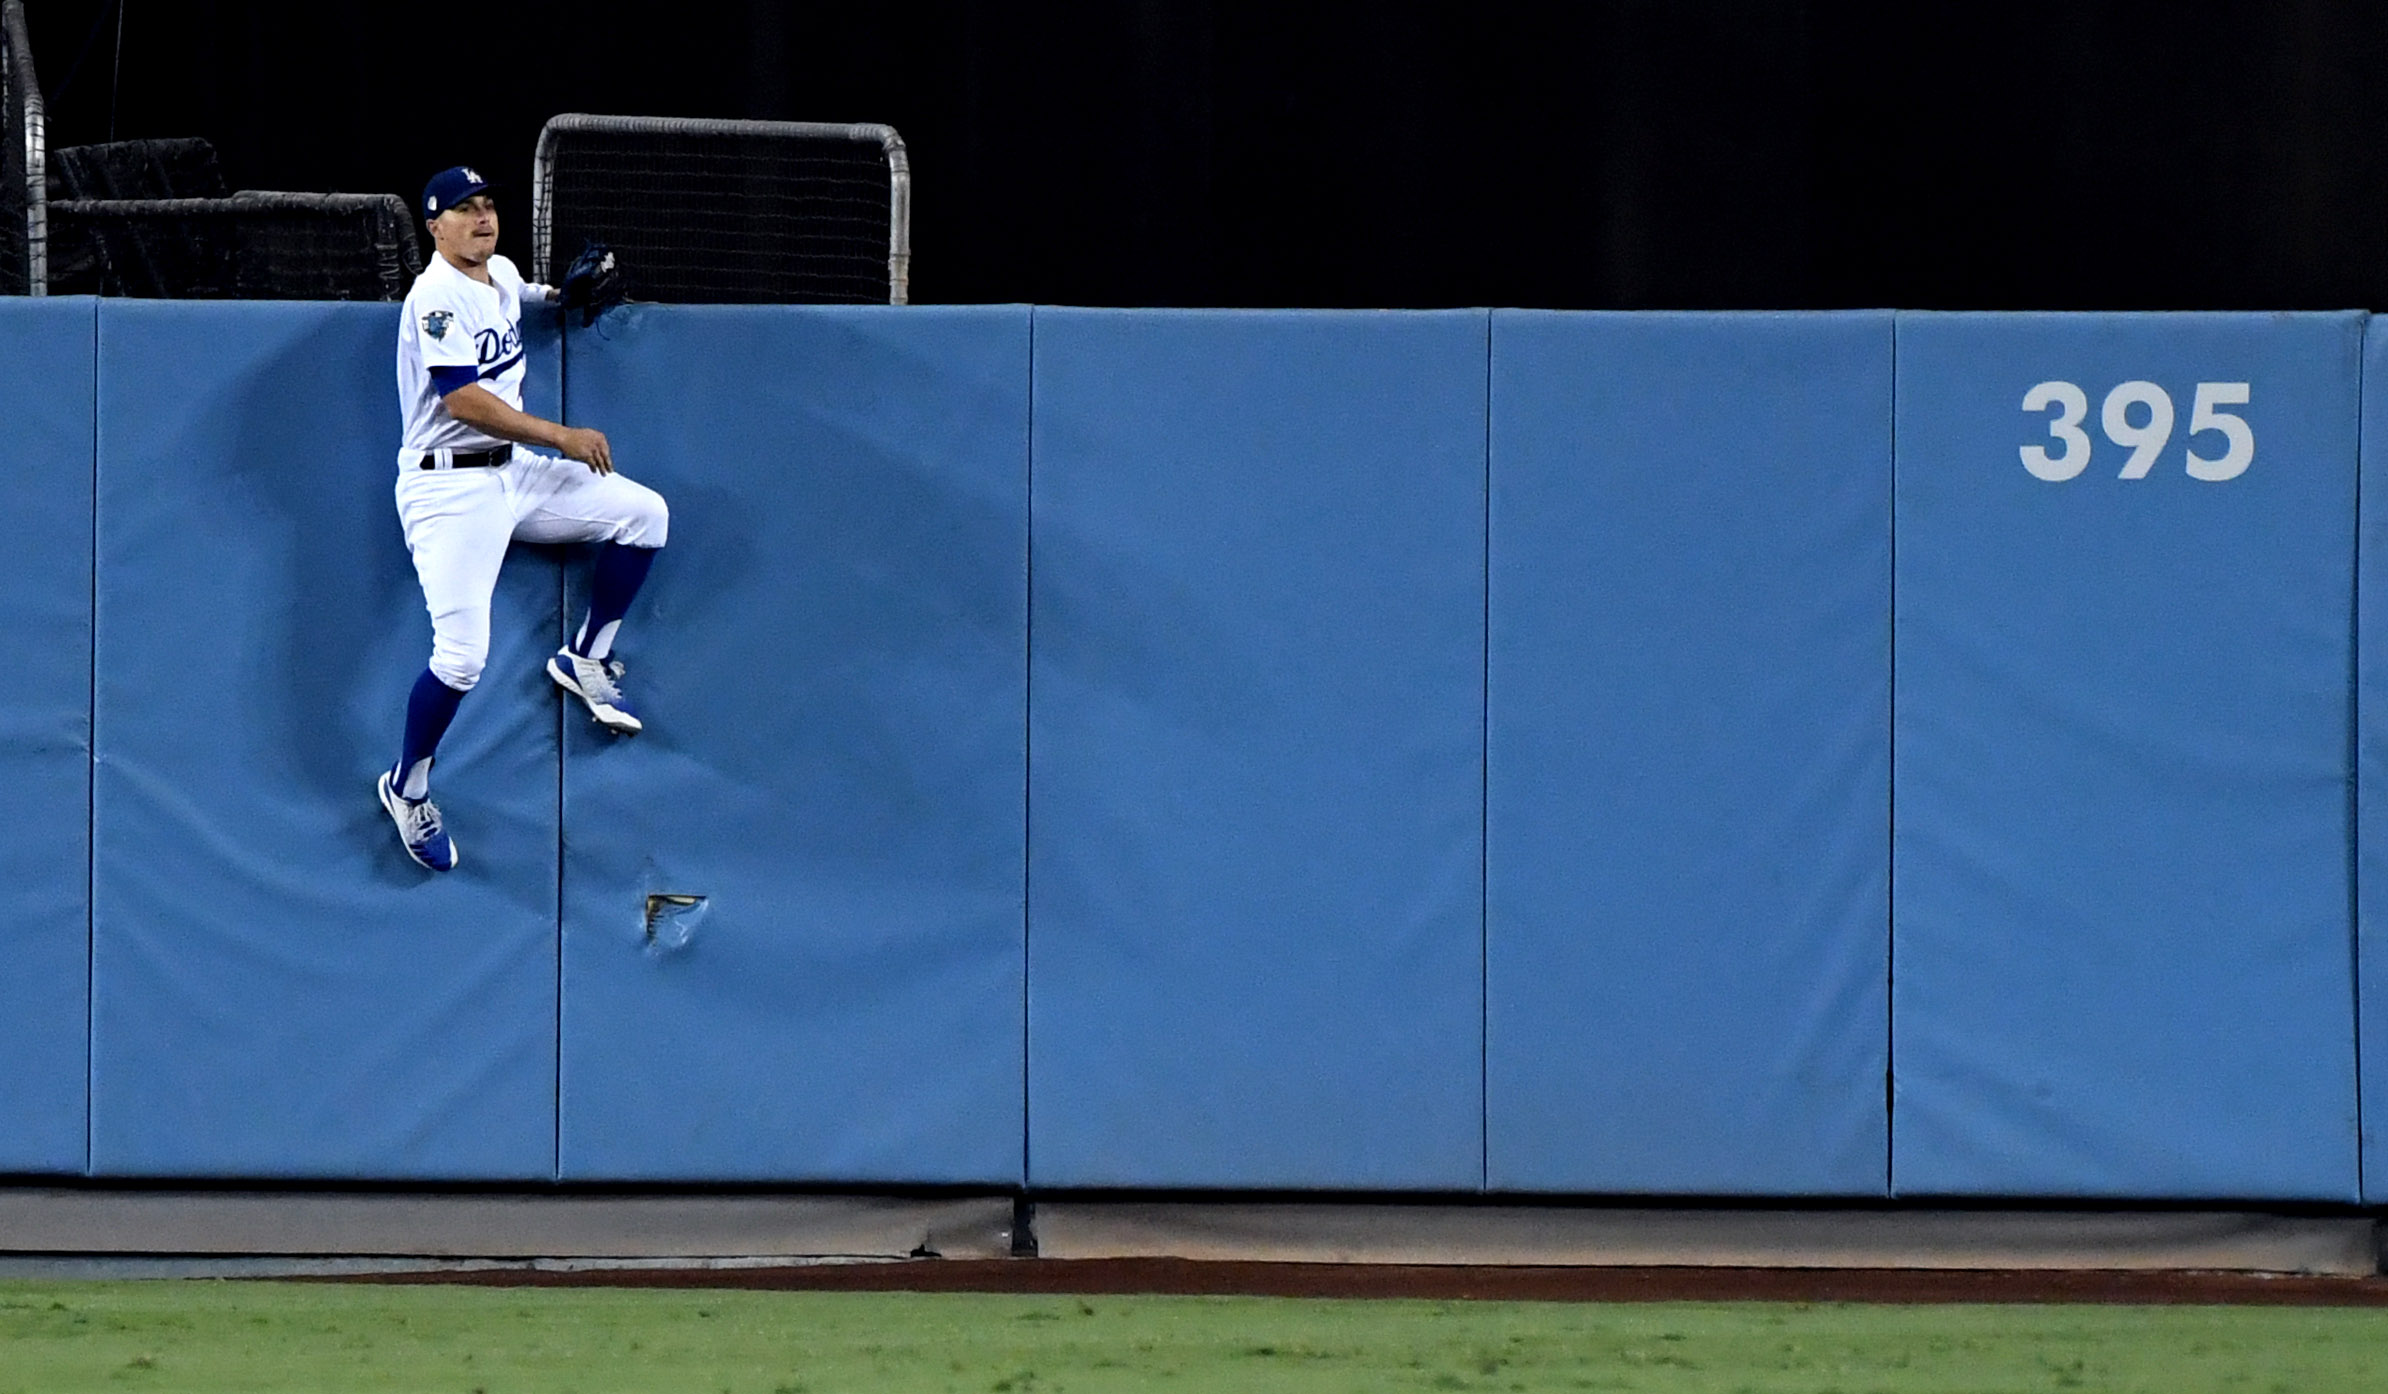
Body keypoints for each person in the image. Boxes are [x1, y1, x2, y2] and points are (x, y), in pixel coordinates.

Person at [378, 165, 668, 872]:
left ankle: (587, 656)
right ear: (434, 226)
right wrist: (562, 436)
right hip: (448, 493)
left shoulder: (498, 273)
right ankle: (406, 787)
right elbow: (464, 401)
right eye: (463, 210)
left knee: (645, 516)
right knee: (462, 658)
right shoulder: (435, 299)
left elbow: (531, 299)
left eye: (487, 206)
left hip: (513, 473)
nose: (481, 218)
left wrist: (563, 299)